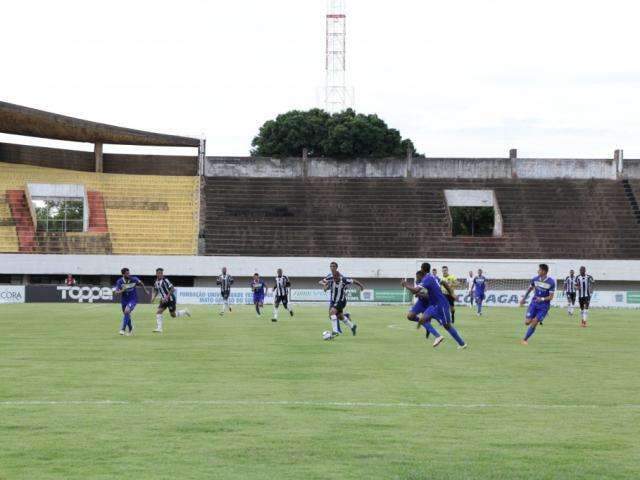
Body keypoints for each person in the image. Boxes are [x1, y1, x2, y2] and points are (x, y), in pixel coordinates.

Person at [402, 262, 467, 349]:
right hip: (433, 305)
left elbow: (415, 290)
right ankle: (438, 336)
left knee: (447, 326)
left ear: (422, 269)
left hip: (441, 304)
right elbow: (444, 283)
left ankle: (462, 344)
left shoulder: (427, 279)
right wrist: (452, 293)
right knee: (422, 319)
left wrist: (406, 285)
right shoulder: (433, 276)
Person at [401, 270, 444, 347]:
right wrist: (414, 291)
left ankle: (437, 332)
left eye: (418, 277)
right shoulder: (419, 283)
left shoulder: (428, 283)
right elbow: (415, 291)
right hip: (420, 303)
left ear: (422, 277)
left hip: (429, 304)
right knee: (410, 316)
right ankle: (427, 324)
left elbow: (428, 296)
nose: (416, 279)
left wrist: (407, 286)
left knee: (442, 322)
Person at [321, 265, 364, 337]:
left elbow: (354, 281)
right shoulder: (331, 279)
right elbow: (323, 283)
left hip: (341, 300)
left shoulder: (344, 280)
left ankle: (335, 331)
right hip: (334, 300)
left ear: (339, 277)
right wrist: (325, 285)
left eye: (336, 278)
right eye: (334, 278)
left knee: (332, 312)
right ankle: (352, 326)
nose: (335, 280)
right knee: (340, 316)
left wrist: (361, 286)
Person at [519, 264, 556, 345]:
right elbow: (530, 289)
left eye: (539, 270)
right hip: (534, 303)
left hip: (544, 306)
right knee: (527, 322)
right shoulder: (535, 279)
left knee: (535, 322)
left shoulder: (551, 282)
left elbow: (551, 297)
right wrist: (523, 299)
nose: (538, 271)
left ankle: (525, 340)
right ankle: (539, 318)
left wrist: (542, 299)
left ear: (544, 271)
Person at [151, 268, 190, 333]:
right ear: (156, 274)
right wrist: (153, 297)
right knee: (159, 312)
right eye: (159, 273)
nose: (160, 274)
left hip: (170, 299)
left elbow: (172, 289)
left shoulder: (166, 280)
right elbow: (156, 290)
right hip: (163, 300)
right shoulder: (156, 282)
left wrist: (166, 297)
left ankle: (185, 311)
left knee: (173, 315)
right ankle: (159, 328)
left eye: (161, 273)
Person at [114, 268, 149, 336]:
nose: (128, 274)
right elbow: (116, 292)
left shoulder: (134, 279)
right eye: (127, 273)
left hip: (133, 299)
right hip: (124, 301)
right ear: (123, 274)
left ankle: (123, 329)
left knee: (127, 311)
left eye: (129, 273)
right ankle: (130, 329)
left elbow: (141, 283)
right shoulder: (120, 281)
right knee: (126, 314)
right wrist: (122, 290)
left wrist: (145, 291)